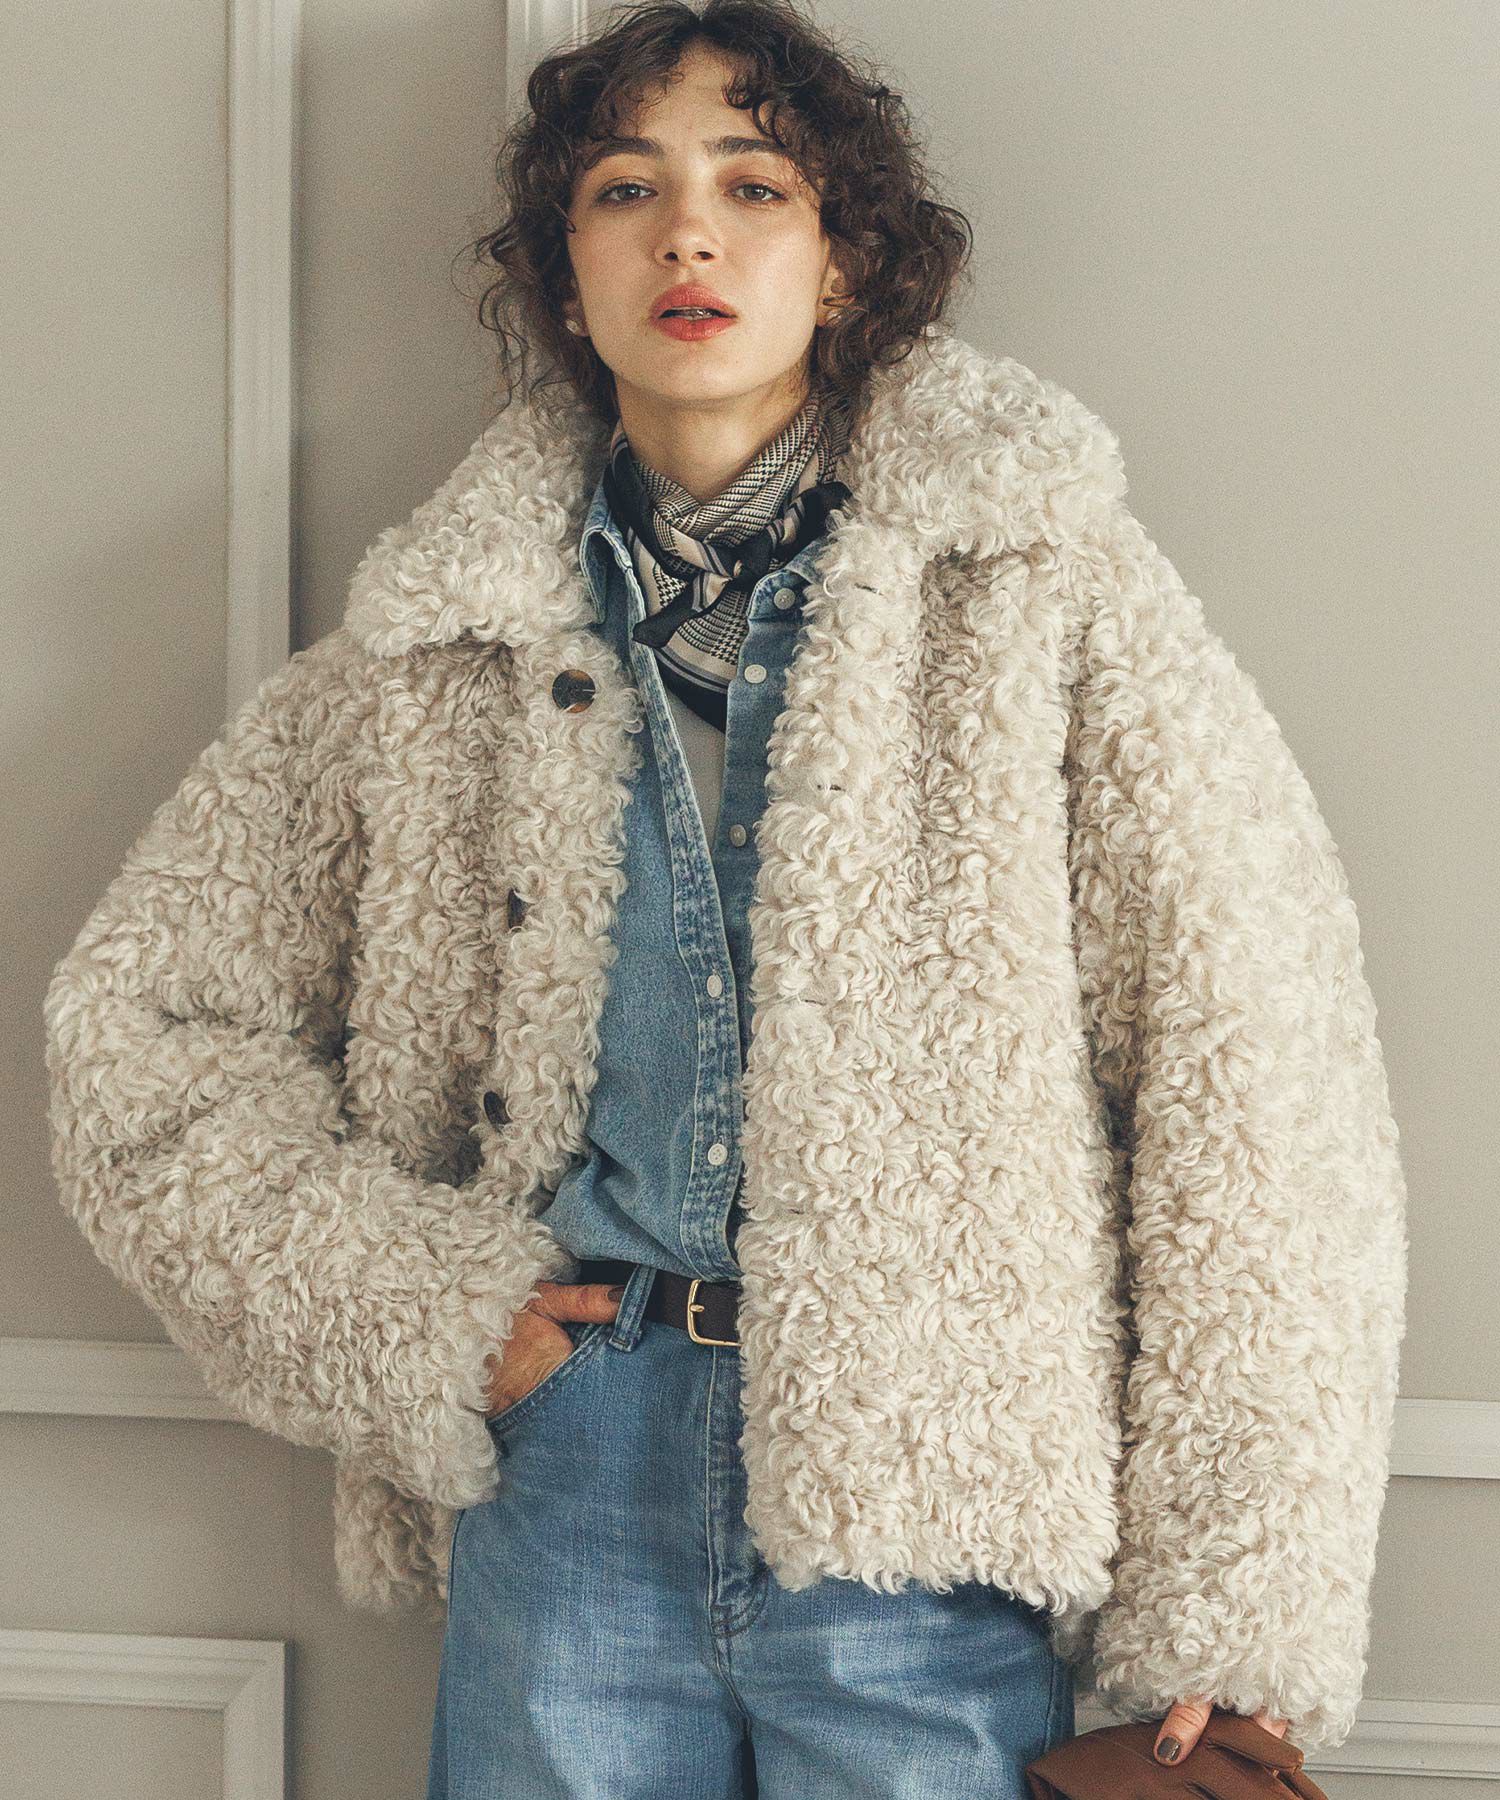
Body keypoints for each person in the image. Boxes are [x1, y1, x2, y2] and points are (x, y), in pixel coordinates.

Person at [43, 3, 1408, 1796]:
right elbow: (138, 1036)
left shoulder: (1044, 601)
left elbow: (1262, 1090)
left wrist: (1233, 1615)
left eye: (754, 186)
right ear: (567, 273)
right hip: (570, 1472)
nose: (688, 233)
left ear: (843, 265)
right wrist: (429, 1314)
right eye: (627, 190)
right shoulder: (441, 646)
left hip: (923, 1503)